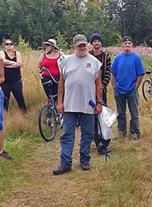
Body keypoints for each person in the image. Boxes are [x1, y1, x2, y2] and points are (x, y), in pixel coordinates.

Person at [53, 34, 102, 175]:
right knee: (68, 135)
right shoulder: (66, 61)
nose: (82, 47)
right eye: (79, 45)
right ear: (74, 47)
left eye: (84, 45)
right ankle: (65, 163)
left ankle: (84, 159)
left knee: (87, 134)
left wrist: (99, 103)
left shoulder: (95, 62)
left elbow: (98, 85)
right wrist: (60, 102)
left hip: (88, 105)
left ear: (88, 45)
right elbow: (61, 84)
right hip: (69, 105)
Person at [111, 36, 145, 140]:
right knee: (121, 113)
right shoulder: (117, 58)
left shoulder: (136, 58)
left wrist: (136, 87)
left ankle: (135, 132)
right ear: (122, 45)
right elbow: (113, 74)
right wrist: (114, 86)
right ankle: (122, 131)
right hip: (119, 89)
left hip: (131, 90)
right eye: (125, 43)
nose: (127, 45)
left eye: (129, 43)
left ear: (132, 45)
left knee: (133, 112)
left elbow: (141, 74)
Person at [89, 33, 112, 155]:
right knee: (90, 116)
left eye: (98, 41)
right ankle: (95, 140)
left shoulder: (106, 56)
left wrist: (102, 85)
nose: (97, 43)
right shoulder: (87, 56)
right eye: (94, 41)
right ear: (91, 43)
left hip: (101, 90)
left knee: (102, 115)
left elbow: (108, 72)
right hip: (88, 90)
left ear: (101, 43)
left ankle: (103, 142)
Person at [0, 39, 27, 113]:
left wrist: (7, 66)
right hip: (5, 81)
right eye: (7, 44)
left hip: (16, 81)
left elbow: (20, 64)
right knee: (5, 98)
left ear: (13, 45)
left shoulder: (17, 53)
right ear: (4, 46)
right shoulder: (2, 53)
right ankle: (5, 114)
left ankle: (24, 113)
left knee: (20, 98)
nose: (9, 46)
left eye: (11, 44)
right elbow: (2, 61)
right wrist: (14, 64)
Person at [38, 39, 66, 104]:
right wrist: (40, 73)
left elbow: (65, 65)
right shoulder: (43, 55)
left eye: (48, 45)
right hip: (46, 78)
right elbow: (39, 66)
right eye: (46, 45)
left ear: (53, 46)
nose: (46, 47)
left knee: (58, 94)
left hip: (58, 78)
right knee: (50, 96)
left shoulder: (60, 54)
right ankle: (51, 109)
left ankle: (59, 109)